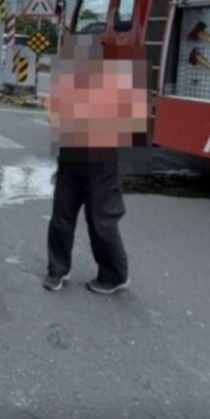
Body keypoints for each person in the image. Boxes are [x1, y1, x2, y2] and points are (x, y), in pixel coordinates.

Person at [43, 35, 149, 294]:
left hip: (103, 166)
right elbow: (54, 116)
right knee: (61, 218)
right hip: (70, 162)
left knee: (102, 222)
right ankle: (57, 270)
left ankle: (115, 275)